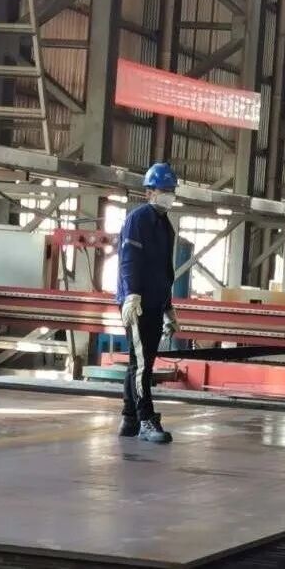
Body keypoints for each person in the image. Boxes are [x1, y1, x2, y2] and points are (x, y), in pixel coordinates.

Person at [117, 162, 179, 444]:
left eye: (171, 190)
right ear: (149, 192)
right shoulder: (138, 219)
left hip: (154, 303)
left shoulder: (166, 226)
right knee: (142, 365)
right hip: (137, 303)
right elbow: (129, 260)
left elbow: (165, 271)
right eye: (163, 189)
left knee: (140, 362)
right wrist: (131, 294)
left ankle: (129, 419)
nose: (168, 194)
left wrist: (168, 307)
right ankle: (145, 420)